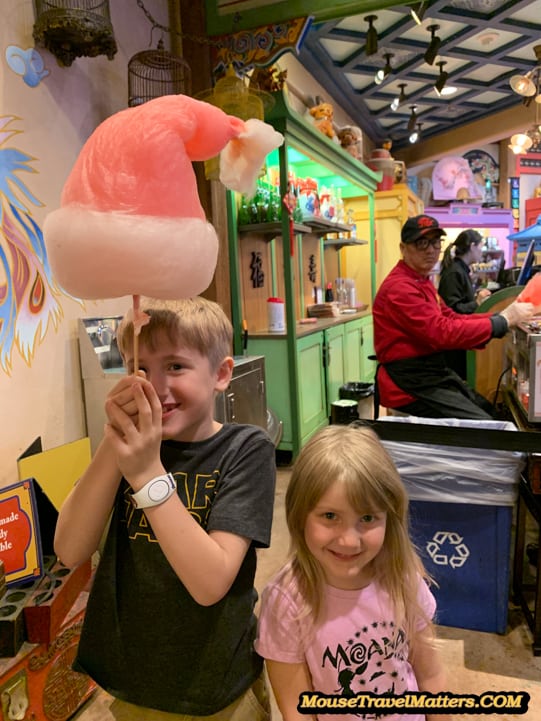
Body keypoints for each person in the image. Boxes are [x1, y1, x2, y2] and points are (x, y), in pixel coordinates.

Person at [54, 296, 276, 721]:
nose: (154, 387)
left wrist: (147, 475)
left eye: (175, 366)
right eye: (139, 369)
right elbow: (69, 549)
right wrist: (116, 443)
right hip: (133, 682)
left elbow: (210, 583)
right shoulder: (130, 450)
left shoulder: (245, 451)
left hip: (218, 689)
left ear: (221, 374)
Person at [255, 424, 451, 721]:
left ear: (390, 518)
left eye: (368, 518)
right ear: (299, 516)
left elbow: (431, 676)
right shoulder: (287, 600)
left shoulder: (403, 578)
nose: (349, 540)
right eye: (330, 516)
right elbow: (296, 708)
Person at [373, 214, 535, 419]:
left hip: (430, 374)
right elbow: (441, 331)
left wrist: (498, 317)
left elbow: (451, 316)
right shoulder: (400, 288)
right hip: (410, 384)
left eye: (435, 243)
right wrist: (500, 322)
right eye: (422, 243)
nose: (431, 250)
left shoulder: (420, 281)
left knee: (491, 412)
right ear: (403, 248)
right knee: (486, 428)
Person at [437, 229, 491, 378]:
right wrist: (477, 302)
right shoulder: (455, 273)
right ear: (472, 246)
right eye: (481, 246)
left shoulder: (460, 270)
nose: (482, 251)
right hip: (454, 349)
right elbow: (452, 311)